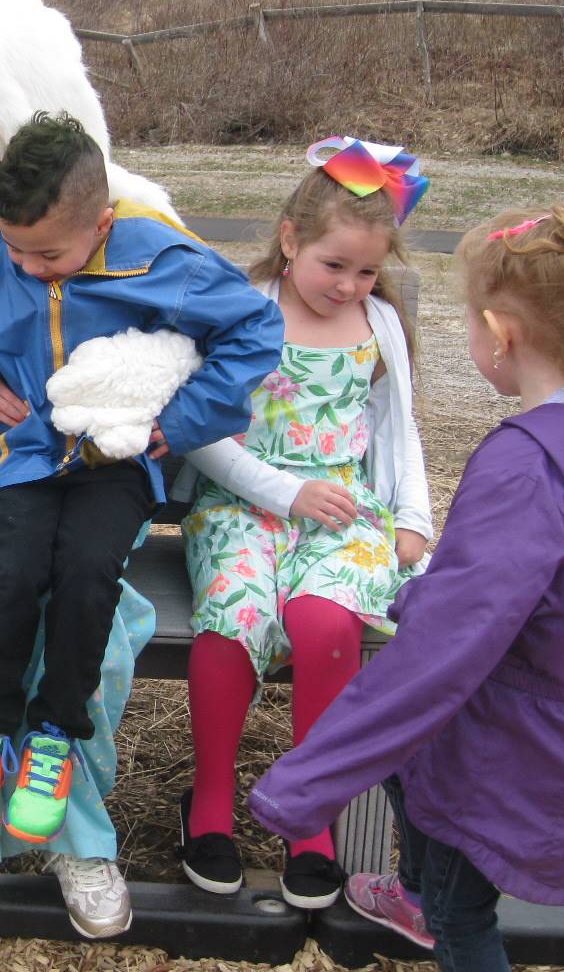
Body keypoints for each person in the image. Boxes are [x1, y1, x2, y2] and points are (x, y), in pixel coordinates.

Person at [249, 200, 564, 972]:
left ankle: (425, 898)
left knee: (460, 915)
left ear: (502, 334)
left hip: (503, 737)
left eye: (471, 326)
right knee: (409, 777)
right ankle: (412, 886)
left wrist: (307, 778)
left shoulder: (522, 466)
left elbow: (444, 652)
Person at [0, 111, 282, 924]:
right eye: (15, 250)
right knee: (11, 570)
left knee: (86, 572)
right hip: (25, 458)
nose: (29, 268)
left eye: (50, 255)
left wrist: (177, 421)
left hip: (116, 467)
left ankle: (54, 739)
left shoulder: (159, 260)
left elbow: (256, 327)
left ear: (101, 224)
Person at [176, 137, 434, 909]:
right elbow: (203, 430)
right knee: (235, 614)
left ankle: (308, 815)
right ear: (290, 239)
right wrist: (283, 493)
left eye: (365, 271)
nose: (349, 284)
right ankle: (211, 803)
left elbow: (397, 428)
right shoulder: (247, 310)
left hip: (346, 510)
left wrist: (414, 518)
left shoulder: (378, 322)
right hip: (241, 504)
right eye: (334, 266)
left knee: (325, 622)